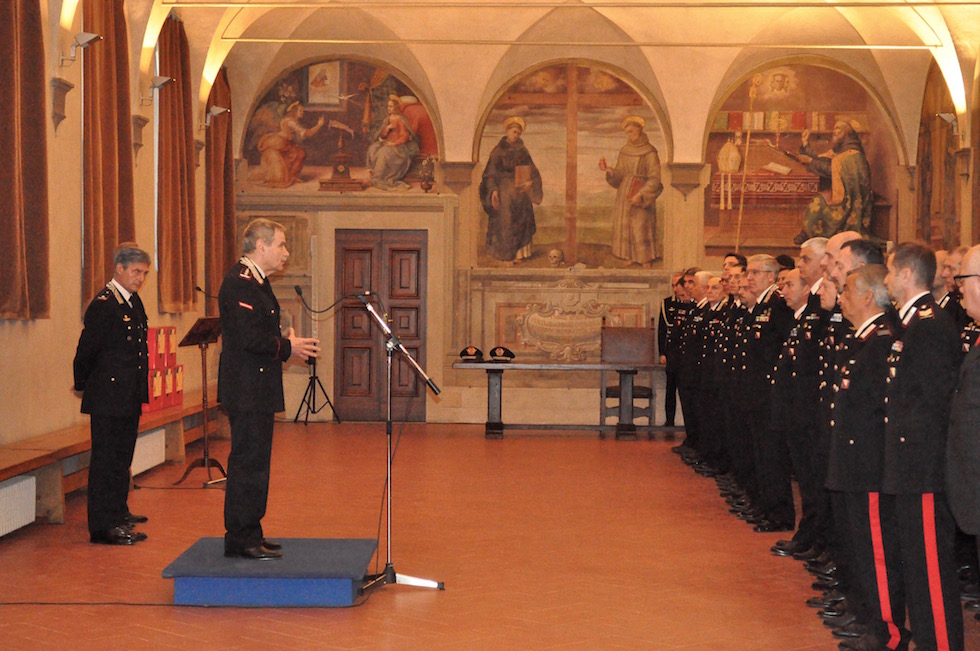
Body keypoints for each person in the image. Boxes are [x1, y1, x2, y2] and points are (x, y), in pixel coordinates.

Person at [219, 218, 320, 560]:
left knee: (257, 462)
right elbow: (248, 339)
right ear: (260, 247)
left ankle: (252, 532)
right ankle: (239, 538)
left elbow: (259, 334)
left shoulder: (257, 282)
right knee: (247, 462)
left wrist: (285, 343)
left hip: (257, 387)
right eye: (281, 245)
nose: (286, 253)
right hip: (246, 388)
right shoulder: (239, 283)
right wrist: (287, 348)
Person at [882, 242, 963, 651]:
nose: (885, 278)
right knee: (916, 564)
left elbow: (933, 403)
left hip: (924, 467)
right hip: (909, 464)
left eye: (890, 270)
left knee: (931, 569)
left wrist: (914, 462)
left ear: (908, 274)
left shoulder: (929, 324)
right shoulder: (911, 321)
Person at [73, 243, 152, 545]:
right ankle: (103, 526)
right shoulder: (104, 304)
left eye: (144, 273)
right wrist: (82, 384)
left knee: (122, 458)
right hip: (108, 395)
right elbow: (86, 350)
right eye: (135, 272)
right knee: (106, 460)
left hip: (128, 394)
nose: (140, 278)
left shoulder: (132, 301)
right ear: (118, 268)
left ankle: (118, 513)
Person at [794, 120, 873, 244]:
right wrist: (805, 144)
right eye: (834, 128)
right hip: (843, 192)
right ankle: (806, 233)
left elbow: (831, 170)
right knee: (819, 200)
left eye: (838, 129)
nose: (834, 132)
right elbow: (821, 161)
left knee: (818, 202)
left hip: (850, 200)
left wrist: (810, 161)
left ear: (847, 134)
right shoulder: (839, 151)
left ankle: (809, 234)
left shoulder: (853, 154)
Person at [599, 115, 663, 268]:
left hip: (641, 190)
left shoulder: (650, 152)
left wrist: (641, 194)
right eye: (627, 132)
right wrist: (610, 171)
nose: (630, 135)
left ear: (640, 130)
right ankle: (630, 256)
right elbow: (620, 173)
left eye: (632, 131)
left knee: (640, 226)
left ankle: (645, 258)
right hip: (625, 192)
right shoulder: (625, 150)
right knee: (626, 225)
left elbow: (655, 178)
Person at [479, 116, 543, 263]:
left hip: (520, 191)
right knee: (506, 219)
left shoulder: (523, 150)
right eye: (514, 132)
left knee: (523, 214)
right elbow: (490, 173)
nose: (516, 135)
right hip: (504, 191)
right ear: (507, 132)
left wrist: (530, 183)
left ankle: (519, 253)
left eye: (518, 133)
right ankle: (506, 254)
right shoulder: (498, 151)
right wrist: (494, 190)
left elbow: (533, 171)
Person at [258, 101, 325, 187]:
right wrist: (319, 125)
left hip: (285, 144)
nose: (302, 113)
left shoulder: (291, 121)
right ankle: (289, 176)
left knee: (301, 153)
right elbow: (306, 133)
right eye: (300, 111)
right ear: (294, 111)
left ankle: (292, 176)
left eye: (302, 111)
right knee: (280, 178)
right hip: (278, 144)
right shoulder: (290, 122)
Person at [367, 95, 421, 191]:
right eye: (388, 106)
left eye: (391, 106)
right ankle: (375, 174)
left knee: (383, 152)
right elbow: (382, 134)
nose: (388, 108)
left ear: (396, 107)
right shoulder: (387, 119)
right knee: (373, 148)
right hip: (387, 142)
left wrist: (393, 144)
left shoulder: (400, 119)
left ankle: (379, 178)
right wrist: (387, 129)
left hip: (398, 146)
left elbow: (404, 137)